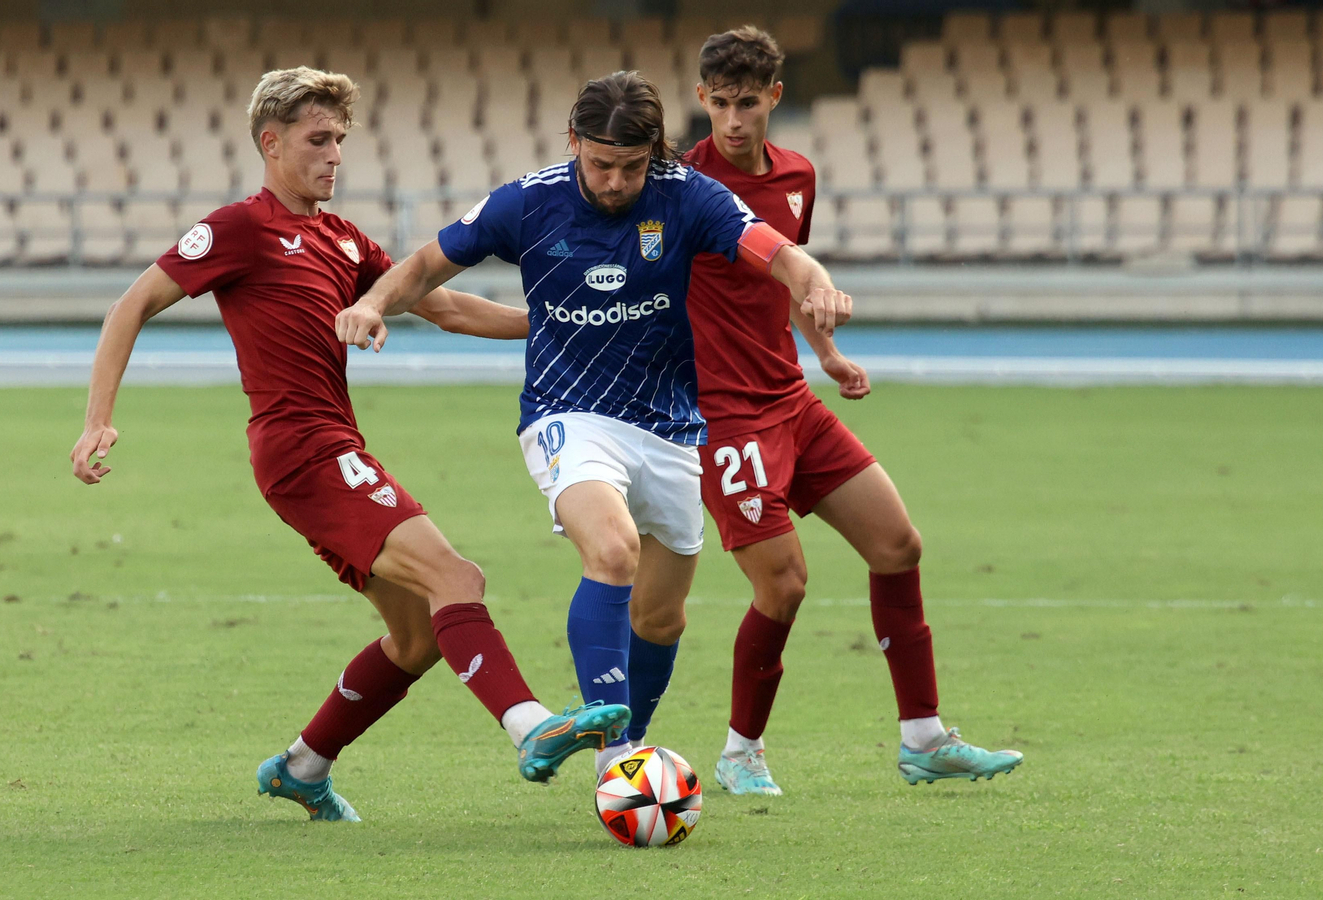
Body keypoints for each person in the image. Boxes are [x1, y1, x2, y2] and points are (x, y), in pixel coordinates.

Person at [69, 67, 629, 822]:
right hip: (301, 448)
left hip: (328, 448)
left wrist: (557, 319)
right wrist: (96, 418)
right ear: (270, 143)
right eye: (317, 139)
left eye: (340, 139)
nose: (335, 154)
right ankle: (532, 728)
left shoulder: (341, 238)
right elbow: (131, 304)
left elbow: (450, 308)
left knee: (417, 636)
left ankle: (302, 766)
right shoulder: (240, 229)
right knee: (456, 578)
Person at [337, 71, 849, 777]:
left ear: (657, 153)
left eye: (632, 167)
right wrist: (373, 302)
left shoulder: (686, 194)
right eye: (601, 164)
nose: (614, 182)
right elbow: (425, 264)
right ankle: (617, 760)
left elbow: (778, 251)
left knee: (660, 619)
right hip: (568, 414)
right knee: (610, 551)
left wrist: (813, 282)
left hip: (669, 425)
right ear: (574, 141)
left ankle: (629, 737)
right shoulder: (528, 201)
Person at [684, 27, 1024, 792]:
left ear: (774, 98)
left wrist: (827, 355)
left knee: (898, 545)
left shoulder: (798, 176)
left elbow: (788, 277)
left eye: (748, 104)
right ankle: (741, 752)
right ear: (701, 99)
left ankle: (925, 738)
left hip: (791, 401)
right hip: (724, 417)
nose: (734, 121)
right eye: (720, 105)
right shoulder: (679, 186)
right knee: (784, 585)